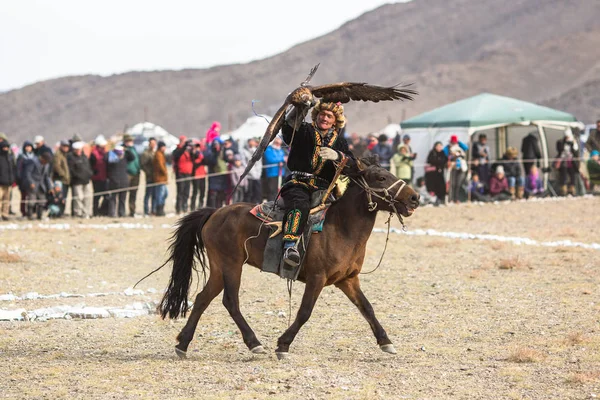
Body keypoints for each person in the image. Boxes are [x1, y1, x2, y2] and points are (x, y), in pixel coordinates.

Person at [279, 100, 354, 267]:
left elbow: (353, 164)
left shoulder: (340, 142)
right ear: (316, 114)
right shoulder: (304, 130)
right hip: (298, 183)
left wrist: (338, 156)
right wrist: (300, 108)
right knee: (300, 205)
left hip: (324, 188)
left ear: (336, 121)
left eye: (329, 116)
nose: (325, 118)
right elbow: (288, 129)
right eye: (322, 114)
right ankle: (289, 247)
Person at [21, 152, 53, 219]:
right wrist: (31, 182)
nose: (46, 162)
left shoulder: (47, 165)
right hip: (33, 185)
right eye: (45, 160)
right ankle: (30, 215)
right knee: (31, 201)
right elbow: (28, 173)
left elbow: (47, 176)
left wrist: (50, 187)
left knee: (42, 200)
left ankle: (40, 215)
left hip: (41, 185)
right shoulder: (33, 162)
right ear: (42, 158)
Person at [68, 141, 93, 218]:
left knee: (87, 197)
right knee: (78, 198)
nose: (79, 151)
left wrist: (90, 174)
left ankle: (86, 213)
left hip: (86, 180)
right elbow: (71, 170)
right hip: (77, 181)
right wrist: (78, 176)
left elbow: (88, 167)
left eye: (80, 149)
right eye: (77, 150)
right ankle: (78, 213)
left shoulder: (84, 157)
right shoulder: (71, 157)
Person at [204, 139, 229, 208]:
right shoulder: (210, 152)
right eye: (215, 145)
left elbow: (228, 159)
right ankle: (212, 208)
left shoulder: (223, 152)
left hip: (222, 176)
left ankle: (219, 208)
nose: (216, 146)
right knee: (213, 194)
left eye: (217, 144)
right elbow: (211, 162)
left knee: (221, 193)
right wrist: (215, 153)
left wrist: (224, 149)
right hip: (214, 175)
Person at [105, 145, 129, 218]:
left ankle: (122, 213)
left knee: (122, 199)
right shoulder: (111, 158)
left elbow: (132, 157)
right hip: (114, 181)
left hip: (123, 181)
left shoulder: (124, 158)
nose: (119, 154)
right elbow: (105, 158)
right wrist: (111, 151)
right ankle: (112, 213)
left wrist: (127, 149)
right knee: (112, 199)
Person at [444, 135, 468, 203]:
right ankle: (450, 199)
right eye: (453, 141)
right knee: (452, 184)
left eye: (455, 141)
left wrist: (459, 142)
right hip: (452, 168)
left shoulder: (459, 147)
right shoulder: (448, 147)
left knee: (458, 184)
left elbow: (466, 148)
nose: (454, 143)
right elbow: (445, 153)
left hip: (460, 167)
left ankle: (456, 199)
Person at [16, 141, 37, 217]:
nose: (28, 148)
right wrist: (19, 179)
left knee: (32, 197)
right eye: (26, 147)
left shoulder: (35, 157)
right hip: (23, 181)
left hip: (32, 180)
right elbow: (18, 169)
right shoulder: (21, 157)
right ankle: (23, 212)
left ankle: (31, 212)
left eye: (29, 146)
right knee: (23, 197)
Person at [555, 129, 579, 196]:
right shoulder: (560, 142)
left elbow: (576, 152)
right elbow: (559, 150)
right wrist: (565, 143)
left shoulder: (573, 142)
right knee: (564, 175)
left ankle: (572, 190)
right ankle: (564, 190)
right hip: (563, 161)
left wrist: (574, 144)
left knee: (572, 176)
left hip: (571, 162)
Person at [89, 135, 109, 216]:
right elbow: (90, 165)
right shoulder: (93, 154)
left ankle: (103, 211)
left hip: (105, 178)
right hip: (97, 179)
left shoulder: (105, 153)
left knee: (107, 197)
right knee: (96, 197)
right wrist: (94, 173)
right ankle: (95, 212)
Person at [52, 140, 71, 216]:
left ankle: (61, 212)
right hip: (60, 180)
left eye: (67, 146)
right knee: (59, 197)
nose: (66, 148)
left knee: (64, 198)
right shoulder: (58, 154)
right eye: (64, 146)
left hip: (65, 180)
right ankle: (57, 213)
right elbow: (57, 166)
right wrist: (63, 175)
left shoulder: (66, 155)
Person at [123, 135, 141, 217]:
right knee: (124, 193)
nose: (131, 142)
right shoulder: (123, 150)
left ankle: (132, 211)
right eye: (129, 141)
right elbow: (131, 158)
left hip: (136, 173)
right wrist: (125, 148)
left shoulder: (134, 149)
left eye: (131, 141)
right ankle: (122, 211)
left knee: (133, 194)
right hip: (128, 173)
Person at [241, 138, 263, 204]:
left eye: (253, 141)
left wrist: (258, 173)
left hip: (257, 175)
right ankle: (247, 204)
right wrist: (250, 171)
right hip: (249, 175)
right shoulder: (244, 151)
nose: (253, 143)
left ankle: (256, 203)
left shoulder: (257, 150)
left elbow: (259, 163)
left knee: (257, 191)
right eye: (251, 141)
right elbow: (244, 162)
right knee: (249, 192)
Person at [140, 137, 157, 216]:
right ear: (149, 144)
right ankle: (146, 211)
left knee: (155, 195)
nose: (153, 145)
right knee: (148, 194)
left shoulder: (156, 152)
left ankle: (153, 210)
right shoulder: (146, 153)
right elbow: (143, 165)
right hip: (150, 177)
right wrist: (149, 172)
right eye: (151, 143)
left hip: (156, 178)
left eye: (154, 143)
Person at [0, 139, 16, 221]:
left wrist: (12, 180)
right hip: (0, 183)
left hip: (8, 183)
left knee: (6, 200)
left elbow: (13, 169)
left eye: (7, 147)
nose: (5, 149)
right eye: (4, 147)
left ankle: (5, 214)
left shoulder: (10, 158)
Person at [190, 140, 207, 210]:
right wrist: (195, 154)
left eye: (198, 147)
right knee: (195, 192)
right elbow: (194, 164)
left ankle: (201, 205)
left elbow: (205, 161)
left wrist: (200, 155)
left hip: (202, 175)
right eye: (196, 147)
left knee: (202, 191)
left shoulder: (201, 154)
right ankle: (192, 206)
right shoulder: (192, 155)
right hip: (196, 176)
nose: (197, 149)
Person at [153, 141, 169, 216]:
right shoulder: (158, 154)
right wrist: (165, 172)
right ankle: (159, 210)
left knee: (165, 194)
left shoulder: (161, 154)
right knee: (160, 195)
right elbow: (160, 165)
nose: (165, 148)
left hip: (163, 179)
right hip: (159, 178)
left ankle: (161, 208)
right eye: (164, 147)